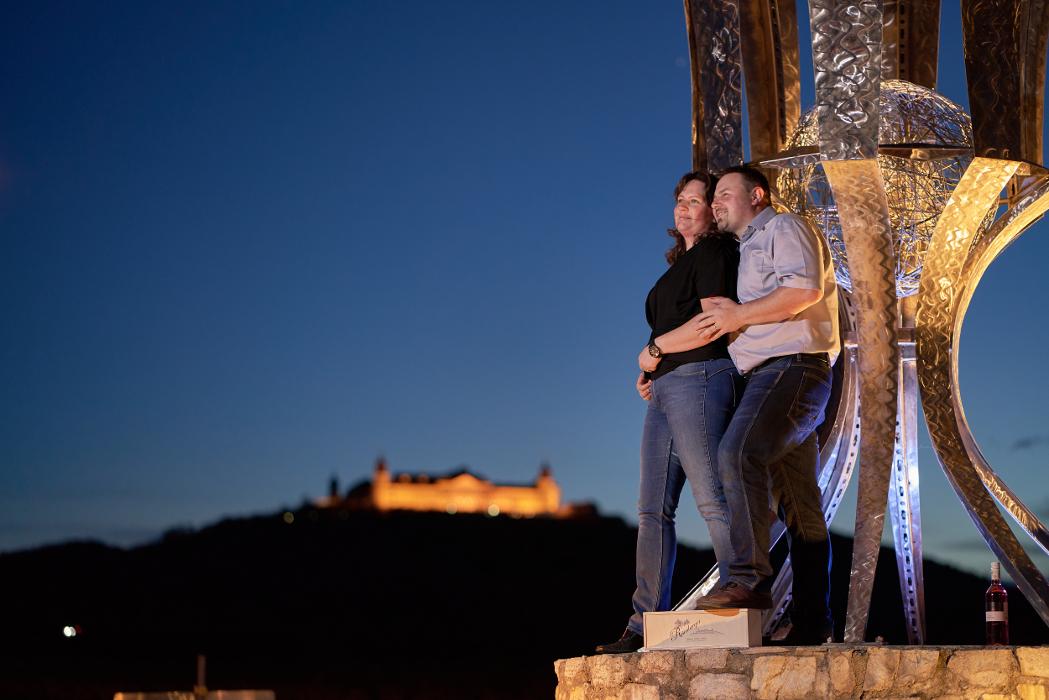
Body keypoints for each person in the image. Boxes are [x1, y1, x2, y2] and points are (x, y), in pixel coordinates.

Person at [687, 165, 840, 645]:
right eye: (714, 198)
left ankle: (749, 579)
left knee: (737, 454)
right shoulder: (747, 248)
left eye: (725, 194)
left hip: (791, 369)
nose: (717, 203)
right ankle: (813, 623)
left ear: (757, 195)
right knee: (801, 509)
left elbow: (803, 291)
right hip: (776, 373)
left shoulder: (784, 227)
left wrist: (737, 315)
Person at [595, 171, 741, 654]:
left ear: (711, 212)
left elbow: (711, 323)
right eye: (680, 200)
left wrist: (653, 351)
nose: (683, 208)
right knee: (651, 509)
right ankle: (641, 625)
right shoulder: (679, 263)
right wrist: (653, 371)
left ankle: (740, 601)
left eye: (695, 201)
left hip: (701, 378)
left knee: (711, 497)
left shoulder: (715, 253)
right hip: (667, 388)